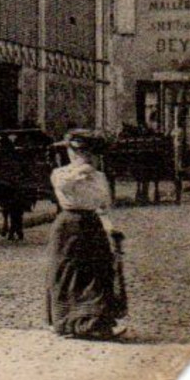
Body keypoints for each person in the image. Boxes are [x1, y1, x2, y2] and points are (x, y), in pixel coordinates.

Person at [47, 130, 128, 340]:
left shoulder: (100, 178)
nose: (79, 156)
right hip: (68, 227)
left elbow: (102, 207)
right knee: (68, 275)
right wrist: (83, 168)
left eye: (85, 152)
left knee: (97, 274)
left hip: (92, 226)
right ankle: (66, 323)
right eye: (77, 152)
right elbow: (64, 185)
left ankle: (95, 324)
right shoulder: (61, 174)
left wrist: (111, 228)